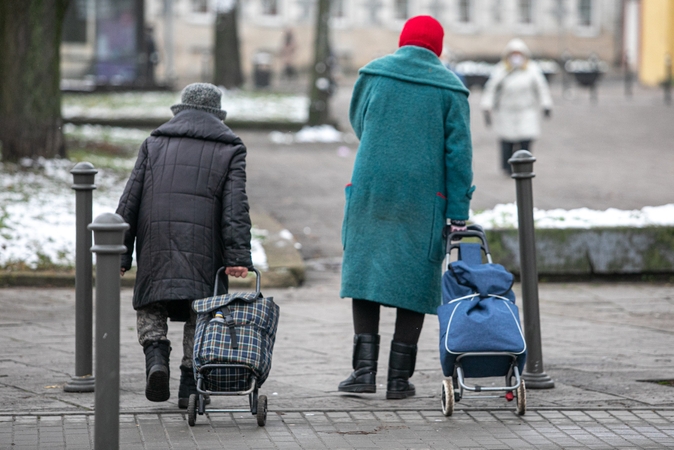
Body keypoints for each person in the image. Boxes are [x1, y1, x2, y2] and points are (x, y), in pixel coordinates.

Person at [338, 15, 475, 400]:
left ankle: (363, 373)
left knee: (365, 273)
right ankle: (398, 381)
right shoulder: (450, 88)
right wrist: (459, 207)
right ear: (438, 47)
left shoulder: (373, 74)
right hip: (423, 198)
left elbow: (358, 121)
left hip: (372, 189)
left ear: (403, 41)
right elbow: (458, 156)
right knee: (414, 283)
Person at [115, 83, 253, 408]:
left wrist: (121, 253)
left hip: (155, 239)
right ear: (218, 115)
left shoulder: (154, 143)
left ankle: (156, 358)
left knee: (152, 301)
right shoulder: (230, 148)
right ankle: (189, 386)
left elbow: (129, 200)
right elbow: (235, 207)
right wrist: (237, 257)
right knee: (201, 311)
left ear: (180, 110)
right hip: (204, 245)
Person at [480, 38, 553, 174]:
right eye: (513, 53)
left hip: (526, 111)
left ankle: (525, 167)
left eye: (519, 53)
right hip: (506, 112)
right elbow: (491, 89)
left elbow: (542, 88)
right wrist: (486, 106)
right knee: (507, 142)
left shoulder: (532, 70)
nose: (516, 56)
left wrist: (546, 104)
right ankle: (507, 168)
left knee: (525, 141)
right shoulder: (501, 70)